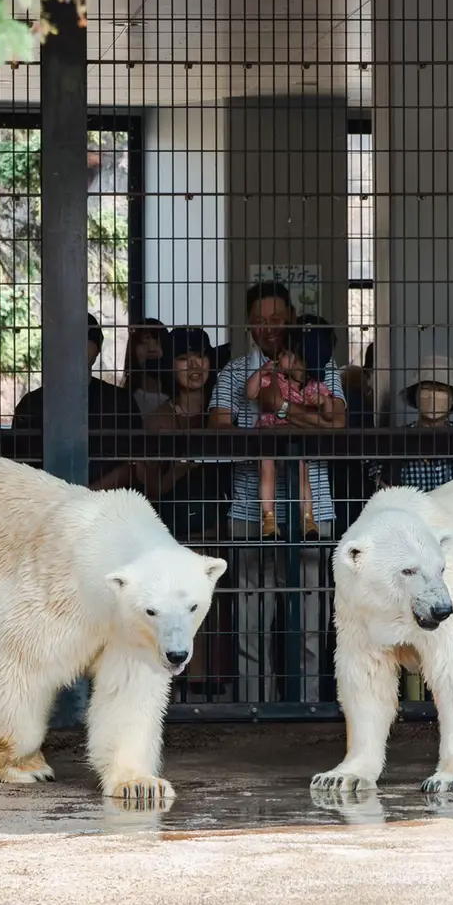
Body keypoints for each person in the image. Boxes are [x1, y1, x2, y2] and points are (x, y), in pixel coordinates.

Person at [209, 281, 346, 704]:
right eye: (261, 321)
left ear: (291, 320)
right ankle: (255, 709)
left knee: (311, 617)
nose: (270, 328)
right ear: (249, 325)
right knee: (251, 620)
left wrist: (283, 411)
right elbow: (217, 428)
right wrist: (304, 423)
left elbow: (338, 426)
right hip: (251, 509)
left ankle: (306, 706)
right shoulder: (235, 372)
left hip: (313, 508)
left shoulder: (323, 367)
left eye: (278, 320)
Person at [143, 326, 230, 698]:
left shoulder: (225, 413)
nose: (195, 364)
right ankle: (180, 696)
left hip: (219, 529)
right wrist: (187, 461)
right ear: (171, 367)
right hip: (175, 533)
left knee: (218, 614)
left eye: (201, 356)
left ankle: (216, 694)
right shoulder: (160, 419)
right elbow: (152, 487)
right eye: (183, 358)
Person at [10, 315, 146, 491]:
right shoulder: (31, 404)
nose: (76, 346)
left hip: (106, 505)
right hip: (44, 506)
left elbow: (133, 464)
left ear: (97, 350)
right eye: (68, 339)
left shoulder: (120, 402)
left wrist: (86, 496)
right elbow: (18, 464)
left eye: (85, 339)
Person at [247, 322, 338, 537]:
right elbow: (250, 394)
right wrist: (261, 373)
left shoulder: (313, 386)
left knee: (301, 474)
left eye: (287, 353)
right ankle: (268, 518)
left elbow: (330, 415)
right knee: (266, 471)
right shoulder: (274, 378)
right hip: (268, 434)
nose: (280, 356)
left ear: (302, 362)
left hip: (296, 440)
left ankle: (308, 518)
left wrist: (324, 401)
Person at [377, 351, 453, 491]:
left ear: (452, 399)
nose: (433, 395)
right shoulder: (397, 440)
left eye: (441, 389)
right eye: (426, 388)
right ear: (415, 396)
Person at [121, 320, 173, 420]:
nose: (152, 349)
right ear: (133, 350)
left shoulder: (177, 399)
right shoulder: (125, 401)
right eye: (144, 343)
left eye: (158, 342)